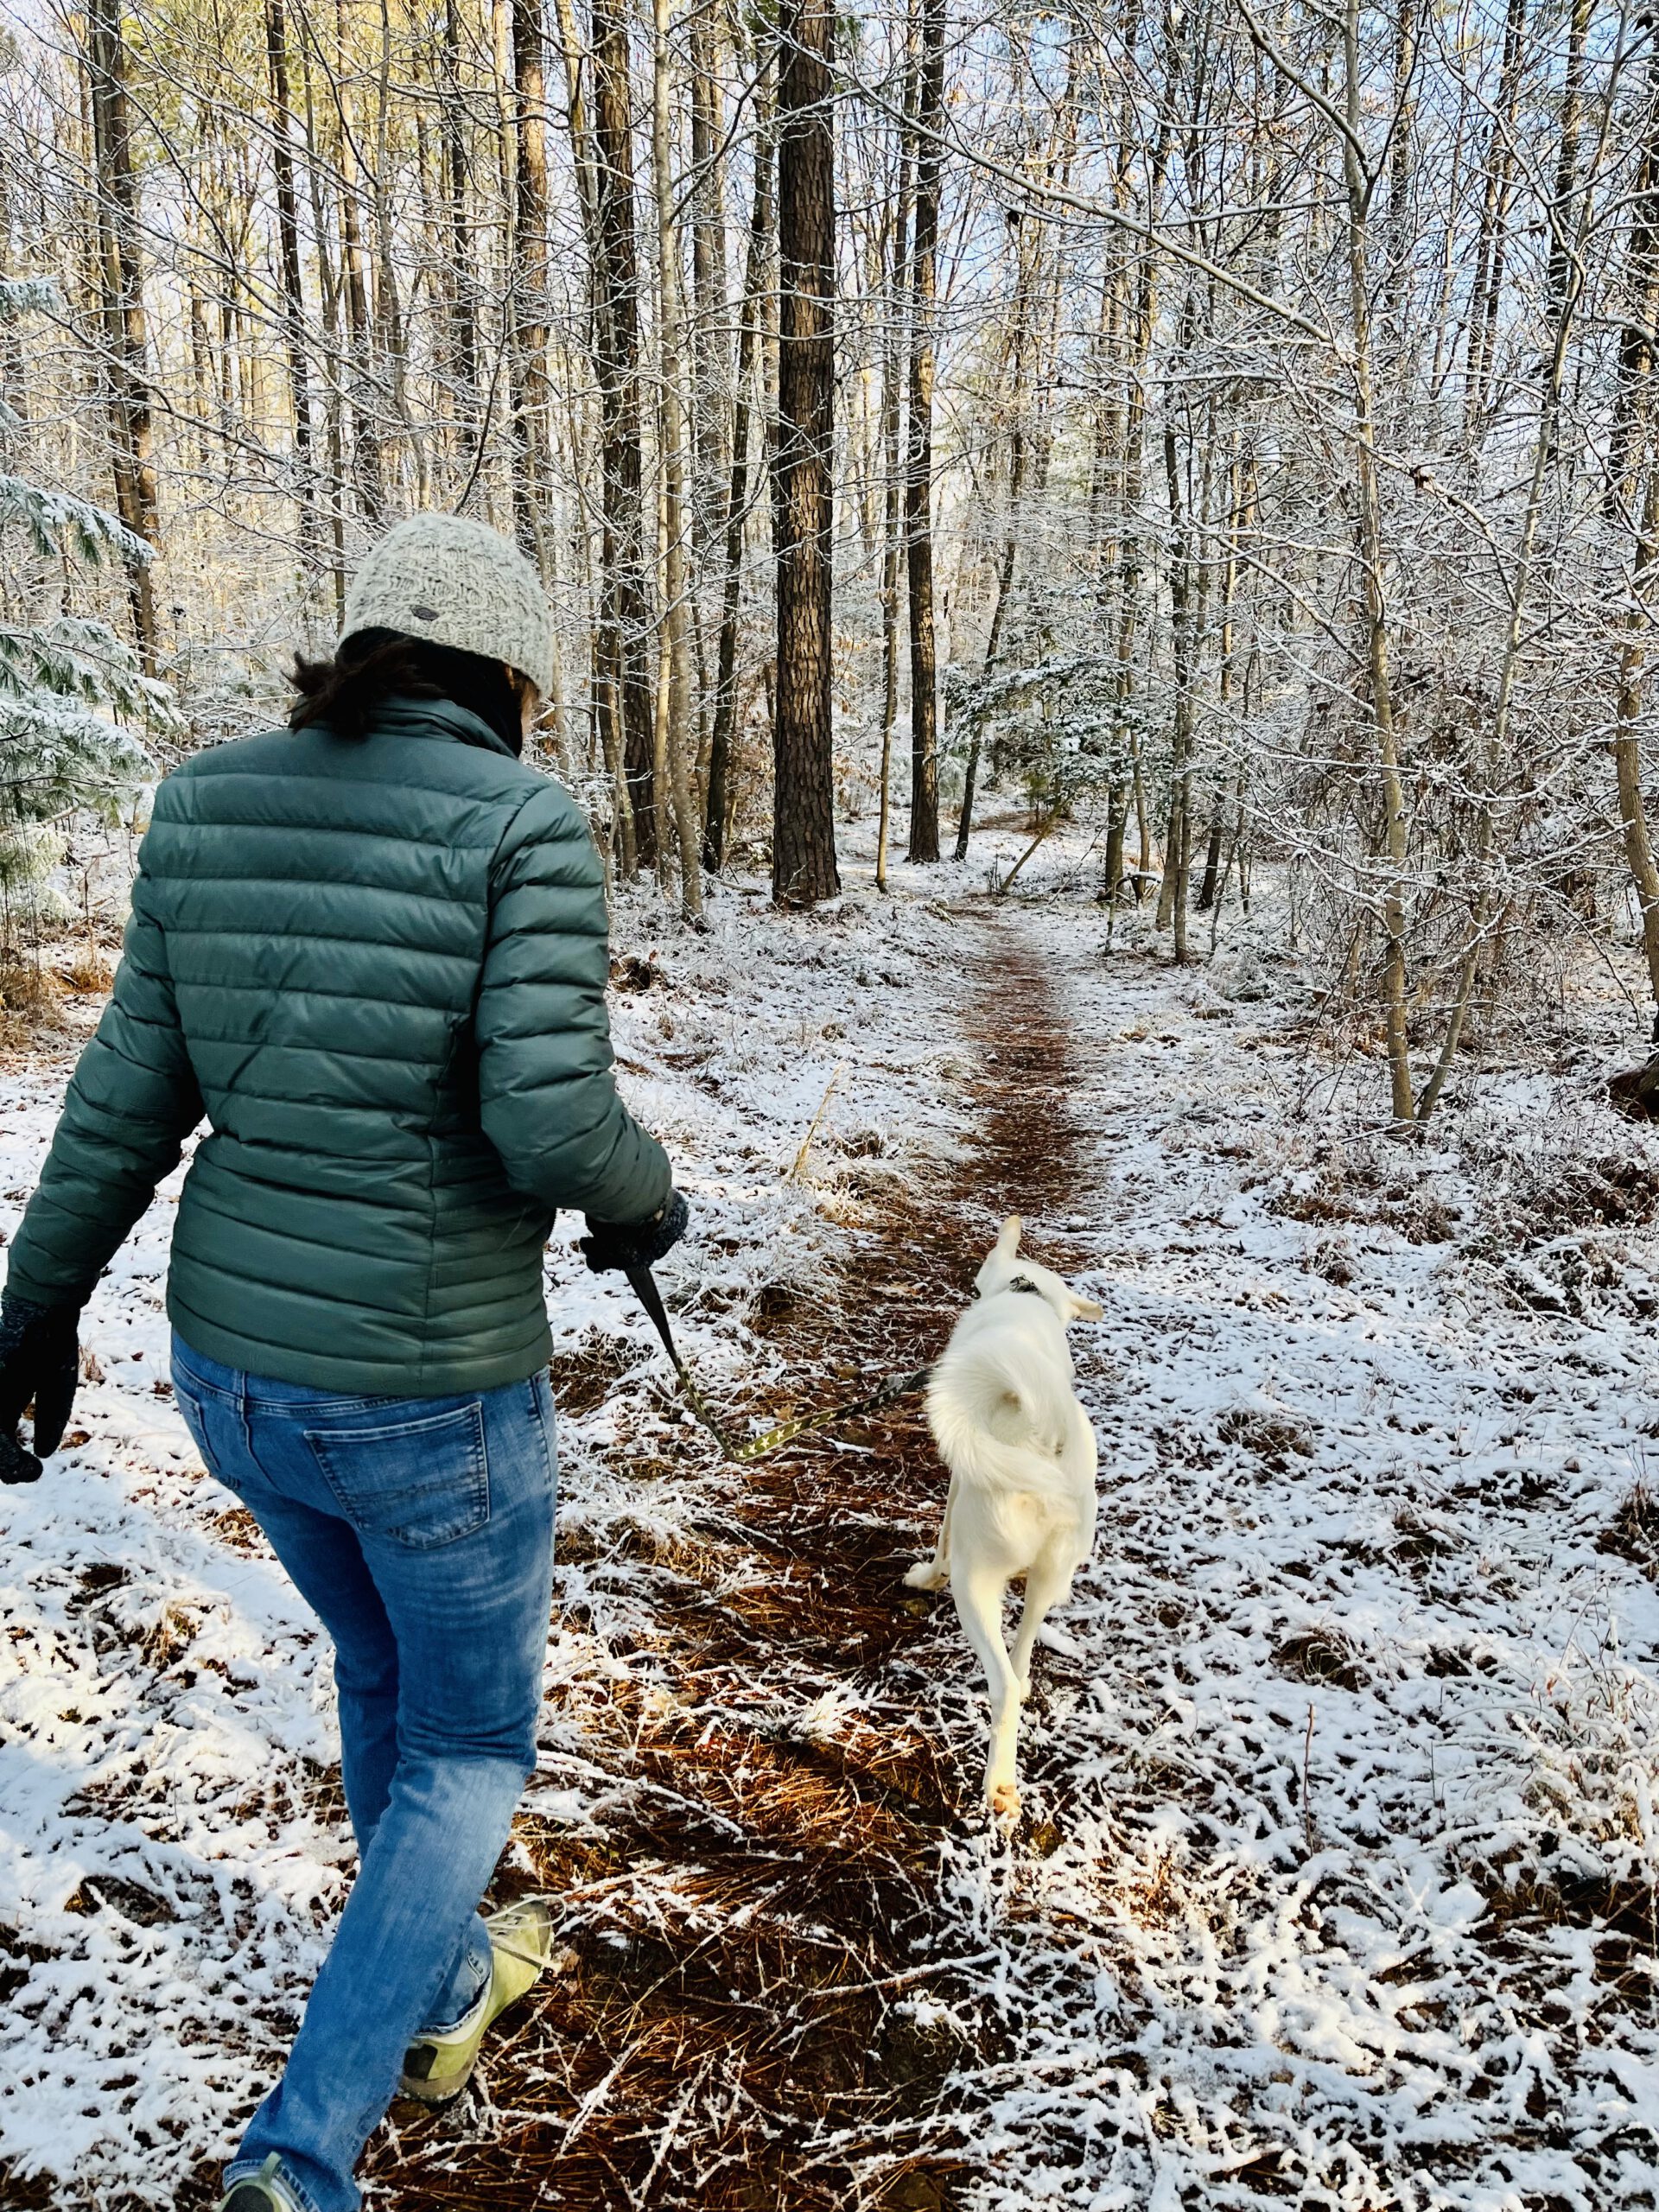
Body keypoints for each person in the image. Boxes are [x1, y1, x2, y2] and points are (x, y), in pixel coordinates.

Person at [0, 514, 686, 2212]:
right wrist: (645, 1195)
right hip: (432, 1386)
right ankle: (301, 2157)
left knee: (383, 1673)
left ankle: (442, 1981)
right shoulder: (523, 819)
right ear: (505, 678)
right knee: (469, 1740)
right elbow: (544, 1111)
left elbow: (123, 1098)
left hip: (234, 1373)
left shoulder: (209, 803)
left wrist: (29, 1307)